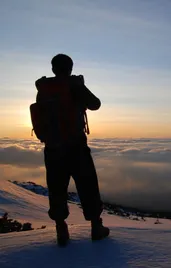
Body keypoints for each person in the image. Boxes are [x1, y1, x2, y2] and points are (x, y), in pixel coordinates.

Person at [34, 54, 109, 246]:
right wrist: (78, 86)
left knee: (57, 188)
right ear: (70, 67)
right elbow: (95, 104)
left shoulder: (44, 88)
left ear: (53, 69)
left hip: (52, 148)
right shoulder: (74, 85)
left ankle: (61, 229)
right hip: (76, 147)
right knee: (88, 185)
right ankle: (96, 227)